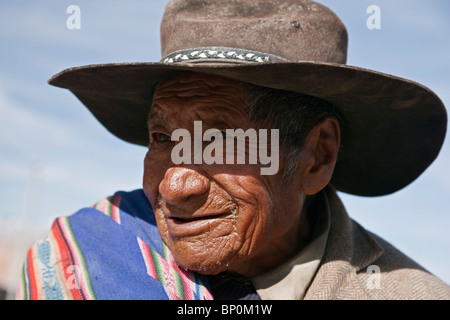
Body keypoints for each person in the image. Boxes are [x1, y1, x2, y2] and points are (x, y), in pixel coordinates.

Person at [17, 0, 449, 300]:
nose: (175, 186)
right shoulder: (91, 256)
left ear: (317, 156)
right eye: (163, 138)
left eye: (219, 140)